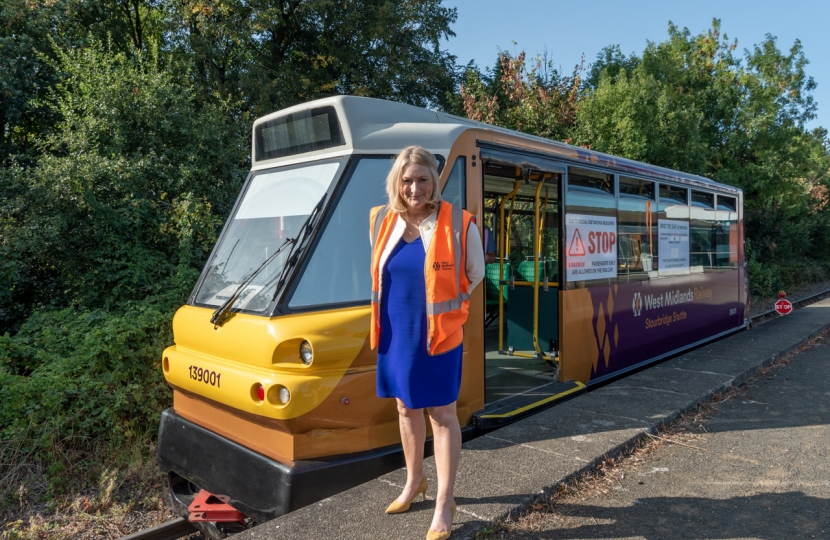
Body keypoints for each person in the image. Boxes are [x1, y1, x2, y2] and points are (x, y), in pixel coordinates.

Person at [369, 146, 485, 540]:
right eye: (406, 180)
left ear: (434, 181)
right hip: (396, 331)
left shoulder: (458, 222)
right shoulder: (382, 221)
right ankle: (414, 481)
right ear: (396, 184)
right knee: (404, 408)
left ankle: (444, 502)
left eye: (422, 179)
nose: (414, 187)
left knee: (442, 414)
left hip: (438, 334)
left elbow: (474, 272)